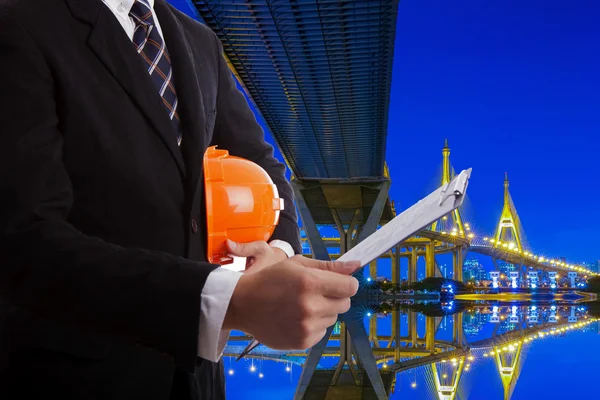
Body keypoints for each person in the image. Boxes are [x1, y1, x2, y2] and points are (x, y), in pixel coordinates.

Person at [0, 0, 362, 399]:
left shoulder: (199, 39)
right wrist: (225, 302)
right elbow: (22, 241)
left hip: (196, 380)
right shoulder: (19, 22)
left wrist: (276, 251)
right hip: (72, 379)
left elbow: (263, 165)